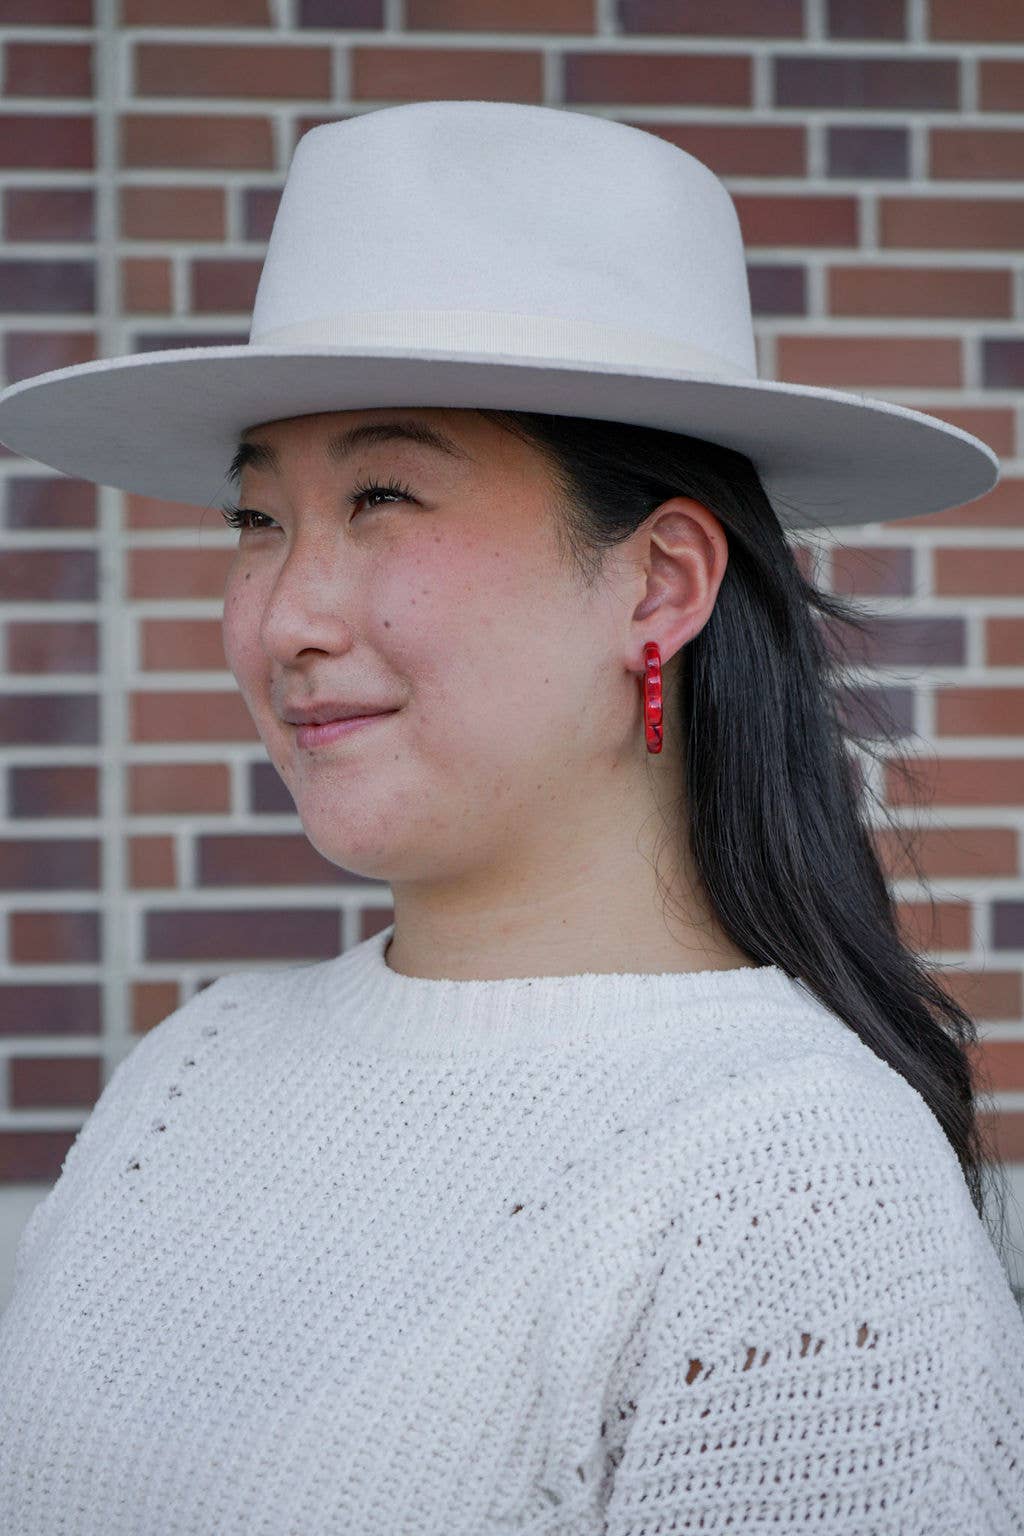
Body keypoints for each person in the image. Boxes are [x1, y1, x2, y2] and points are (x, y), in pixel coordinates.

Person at [0, 99, 1021, 1535]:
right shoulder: (191, 1070)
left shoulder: (797, 1189)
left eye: (384, 495)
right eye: (256, 520)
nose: (285, 618)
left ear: (659, 584)